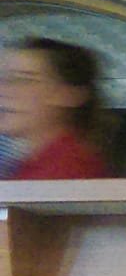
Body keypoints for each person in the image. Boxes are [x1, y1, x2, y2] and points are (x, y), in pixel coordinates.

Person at [0, 37, 114, 180]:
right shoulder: (28, 164)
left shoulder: (69, 169)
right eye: (2, 79)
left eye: (23, 80)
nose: (2, 90)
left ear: (68, 94)